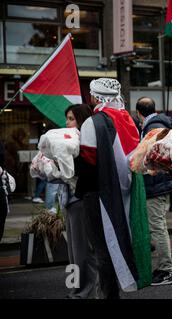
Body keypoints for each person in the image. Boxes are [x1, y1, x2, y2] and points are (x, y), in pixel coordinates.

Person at [76, 78, 148, 298]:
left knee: (101, 248)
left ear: (96, 97)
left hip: (98, 192)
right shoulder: (128, 119)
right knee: (118, 239)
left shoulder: (93, 122)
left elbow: (87, 165)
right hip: (126, 189)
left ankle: (109, 295)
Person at [136, 96, 172, 286]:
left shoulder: (151, 126)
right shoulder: (162, 123)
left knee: (158, 226)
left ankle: (166, 269)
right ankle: (162, 266)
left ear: (138, 113)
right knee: (156, 225)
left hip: (156, 183)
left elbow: (150, 155)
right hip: (162, 182)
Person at [61, 103, 98, 299]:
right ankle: (74, 289)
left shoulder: (84, 144)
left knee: (83, 250)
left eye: (71, 118)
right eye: (66, 118)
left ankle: (85, 292)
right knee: (73, 253)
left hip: (80, 200)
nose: (67, 123)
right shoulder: (67, 142)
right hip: (68, 201)